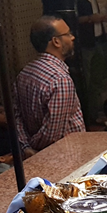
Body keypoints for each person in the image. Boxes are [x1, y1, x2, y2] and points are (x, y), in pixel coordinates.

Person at [14, 16, 86, 154]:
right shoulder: (60, 79)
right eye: (68, 34)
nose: (72, 37)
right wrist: (34, 149)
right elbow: (53, 134)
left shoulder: (24, 73)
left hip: (35, 154)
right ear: (56, 41)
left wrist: (26, 147)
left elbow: (17, 117)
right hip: (64, 155)